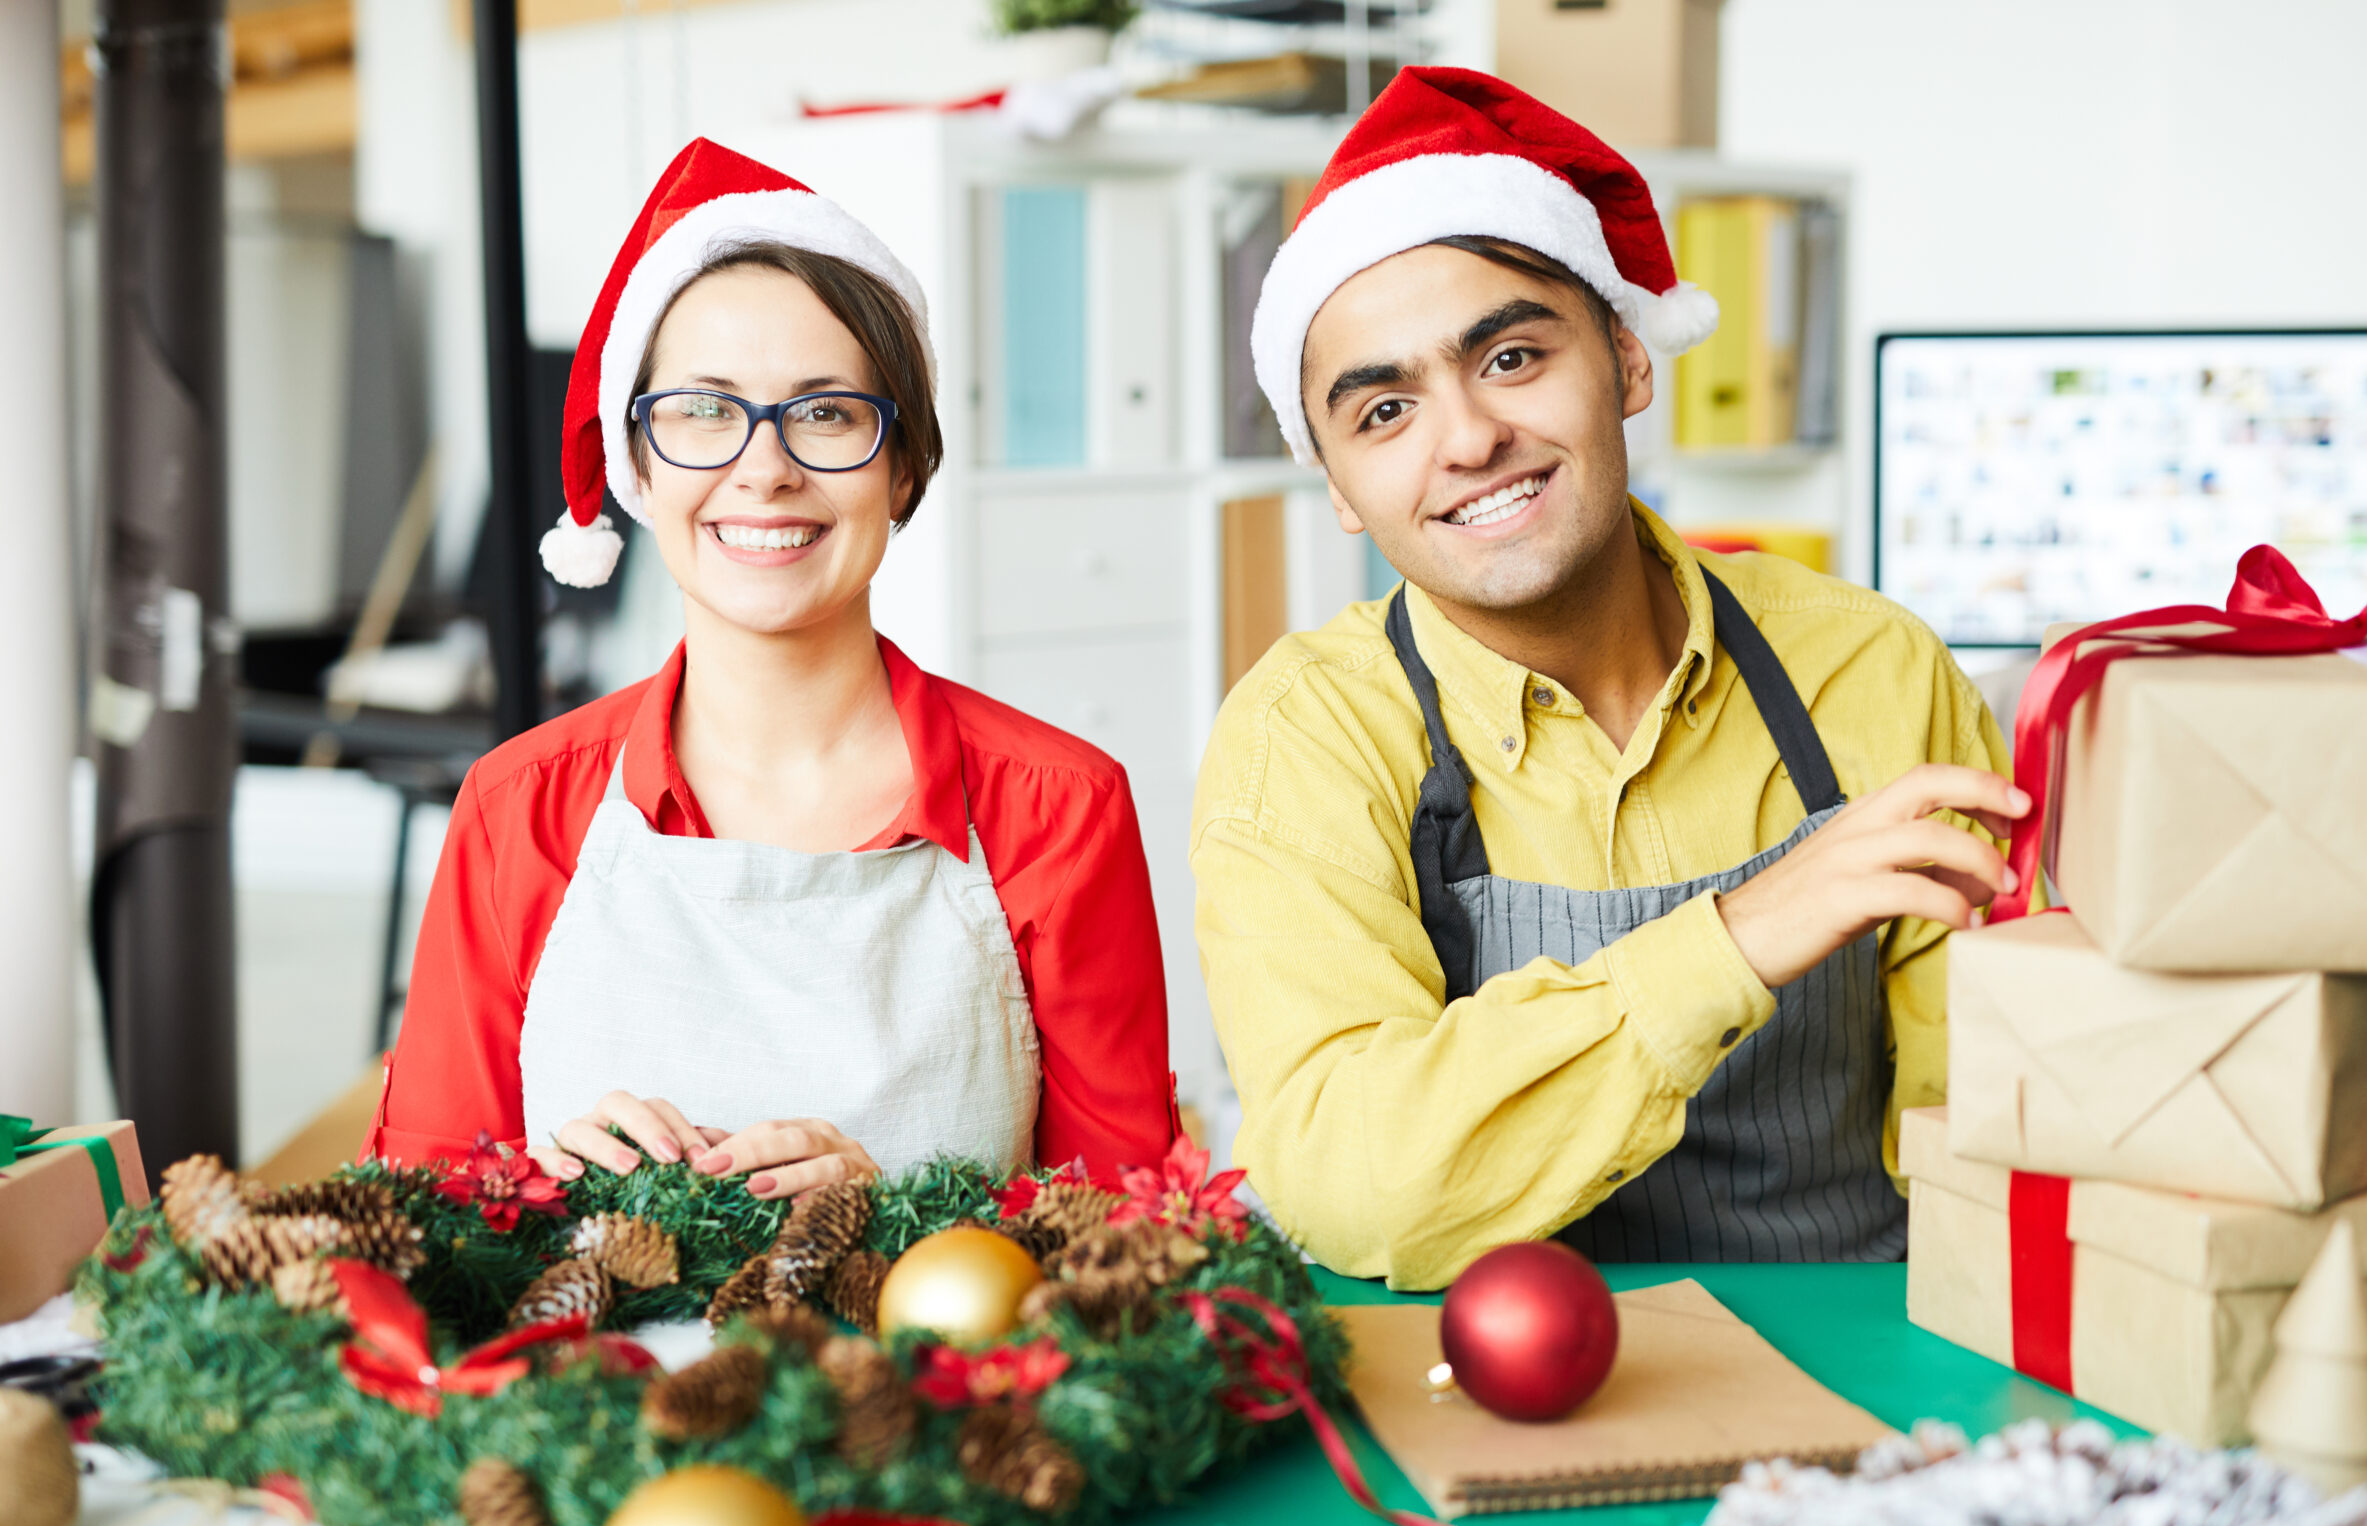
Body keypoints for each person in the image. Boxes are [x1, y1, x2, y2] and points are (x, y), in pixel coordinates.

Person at [1194, 70, 2026, 1288]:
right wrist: (1738, 940)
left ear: (1628, 362)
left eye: (1514, 356)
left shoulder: (1873, 669)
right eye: (1383, 411)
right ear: (1337, 487)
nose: (1467, 437)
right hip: (1481, 1395)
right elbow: (1345, 1182)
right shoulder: (1306, 735)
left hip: (1868, 1344)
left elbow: (1997, 1119)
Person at [368, 140, 1177, 1199]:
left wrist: (898, 1226)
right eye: (702, 411)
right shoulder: (518, 810)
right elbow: (410, 1223)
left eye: (826, 413)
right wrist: (525, 1187)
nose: (765, 468)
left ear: (902, 467)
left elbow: (1136, 1246)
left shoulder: (1060, 810)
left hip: (924, 1369)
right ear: (640, 468)